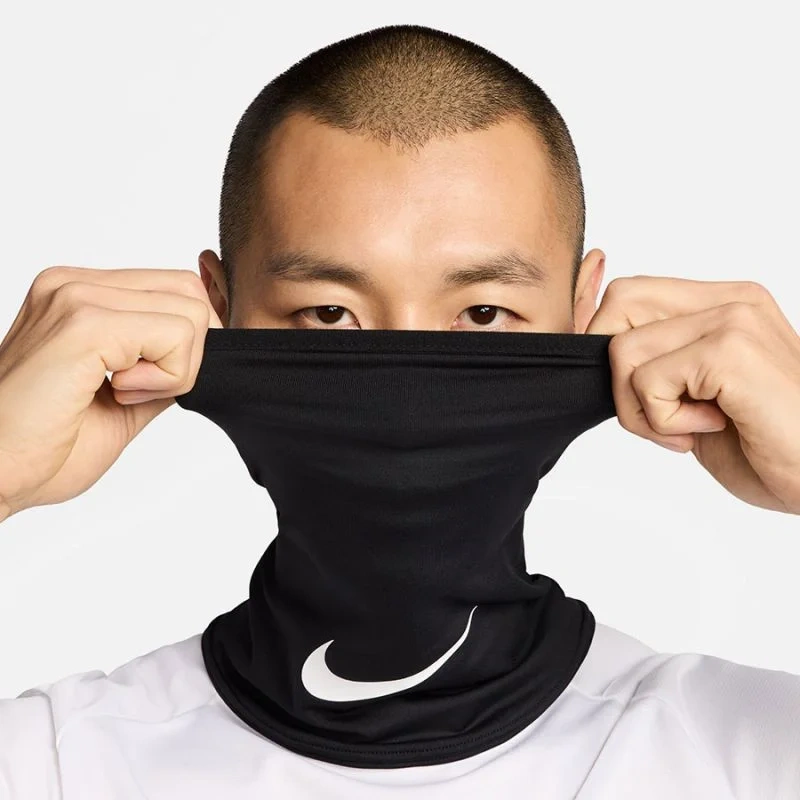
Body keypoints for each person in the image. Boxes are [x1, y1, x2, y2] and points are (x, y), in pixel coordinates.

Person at [1, 22, 799, 800]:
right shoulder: (57, 762)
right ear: (220, 306)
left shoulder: (748, 755)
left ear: (580, 310)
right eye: (329, 314)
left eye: (483, 314)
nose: (407, 385)